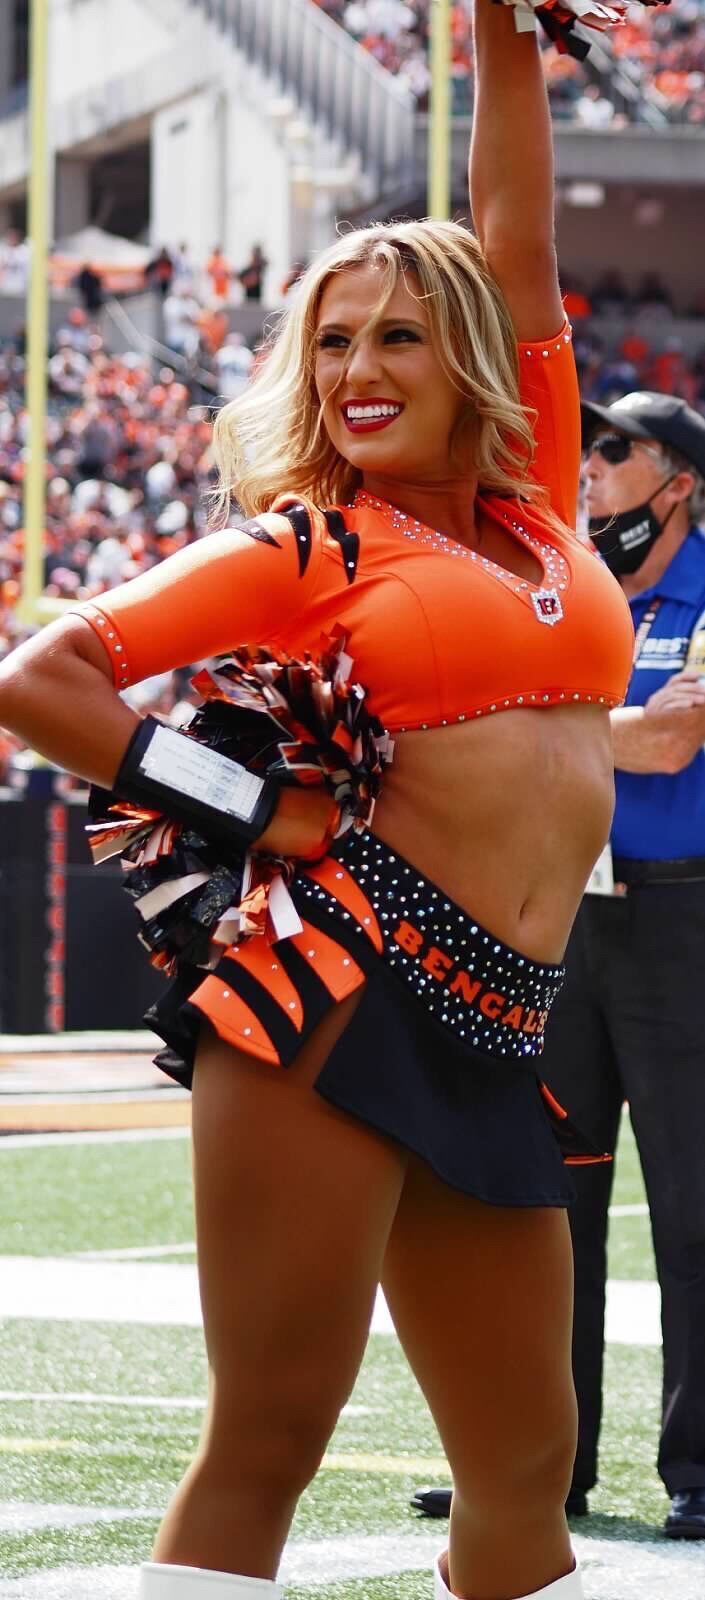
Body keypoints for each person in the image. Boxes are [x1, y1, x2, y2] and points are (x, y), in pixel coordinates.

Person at [0, 4, 634, 1599]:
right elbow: (44, 676)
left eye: (400, 336)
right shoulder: (305, 546)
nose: (358, 368)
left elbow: (517, 231)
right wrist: (260, 818)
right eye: (333, 339)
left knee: (524, 1476)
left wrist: (498, 34)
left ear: (474, 358)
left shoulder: (544, 497)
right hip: (324, 1001)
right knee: (273, 1429)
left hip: (500, 1023)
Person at [540, 391, 705, 1541]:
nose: (590, 468)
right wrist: (610, 735)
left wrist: (559, 732)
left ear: (679, 481)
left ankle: (699, 1470)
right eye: (588, 448)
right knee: (549, 1208)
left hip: (683, 923)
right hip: (567, 920)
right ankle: (541, 1462)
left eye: (616, 449)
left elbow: (675, 739)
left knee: (694, 1211)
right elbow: (619, 735)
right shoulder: (569, 588)